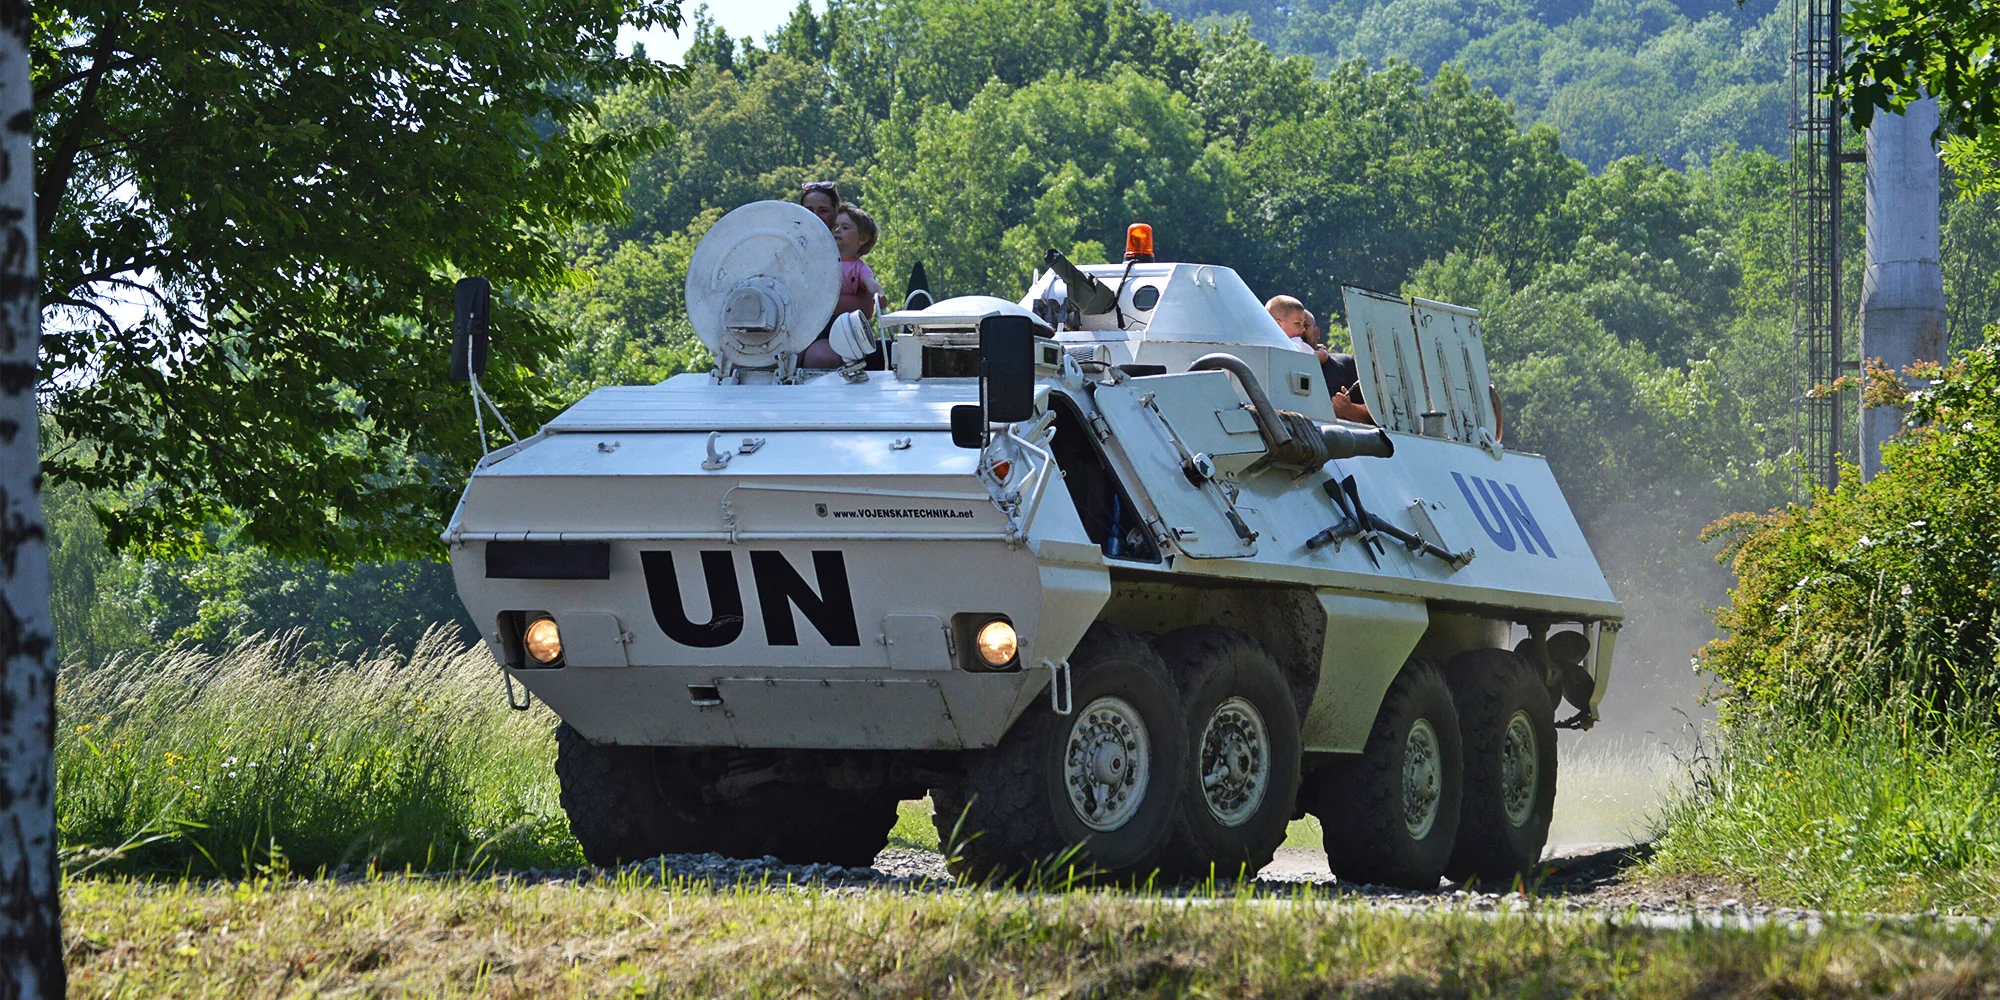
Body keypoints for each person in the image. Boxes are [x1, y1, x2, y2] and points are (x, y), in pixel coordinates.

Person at [801, 202, 885, 368]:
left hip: (842, 325)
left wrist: (879, 295)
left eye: (845, 228)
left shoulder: (859, 268)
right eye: (836, 226)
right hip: (813, 323)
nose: (837, 230)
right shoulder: (822, 262)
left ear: (862, 238)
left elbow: (871, 284)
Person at [1266, 294, 1373, 424]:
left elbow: (1384, 415)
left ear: (1316, 332)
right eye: (1297, 324)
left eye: (1305, 325)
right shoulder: (1271, 363)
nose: (1301, 330)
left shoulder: (1346, 364)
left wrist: (1349, 409)